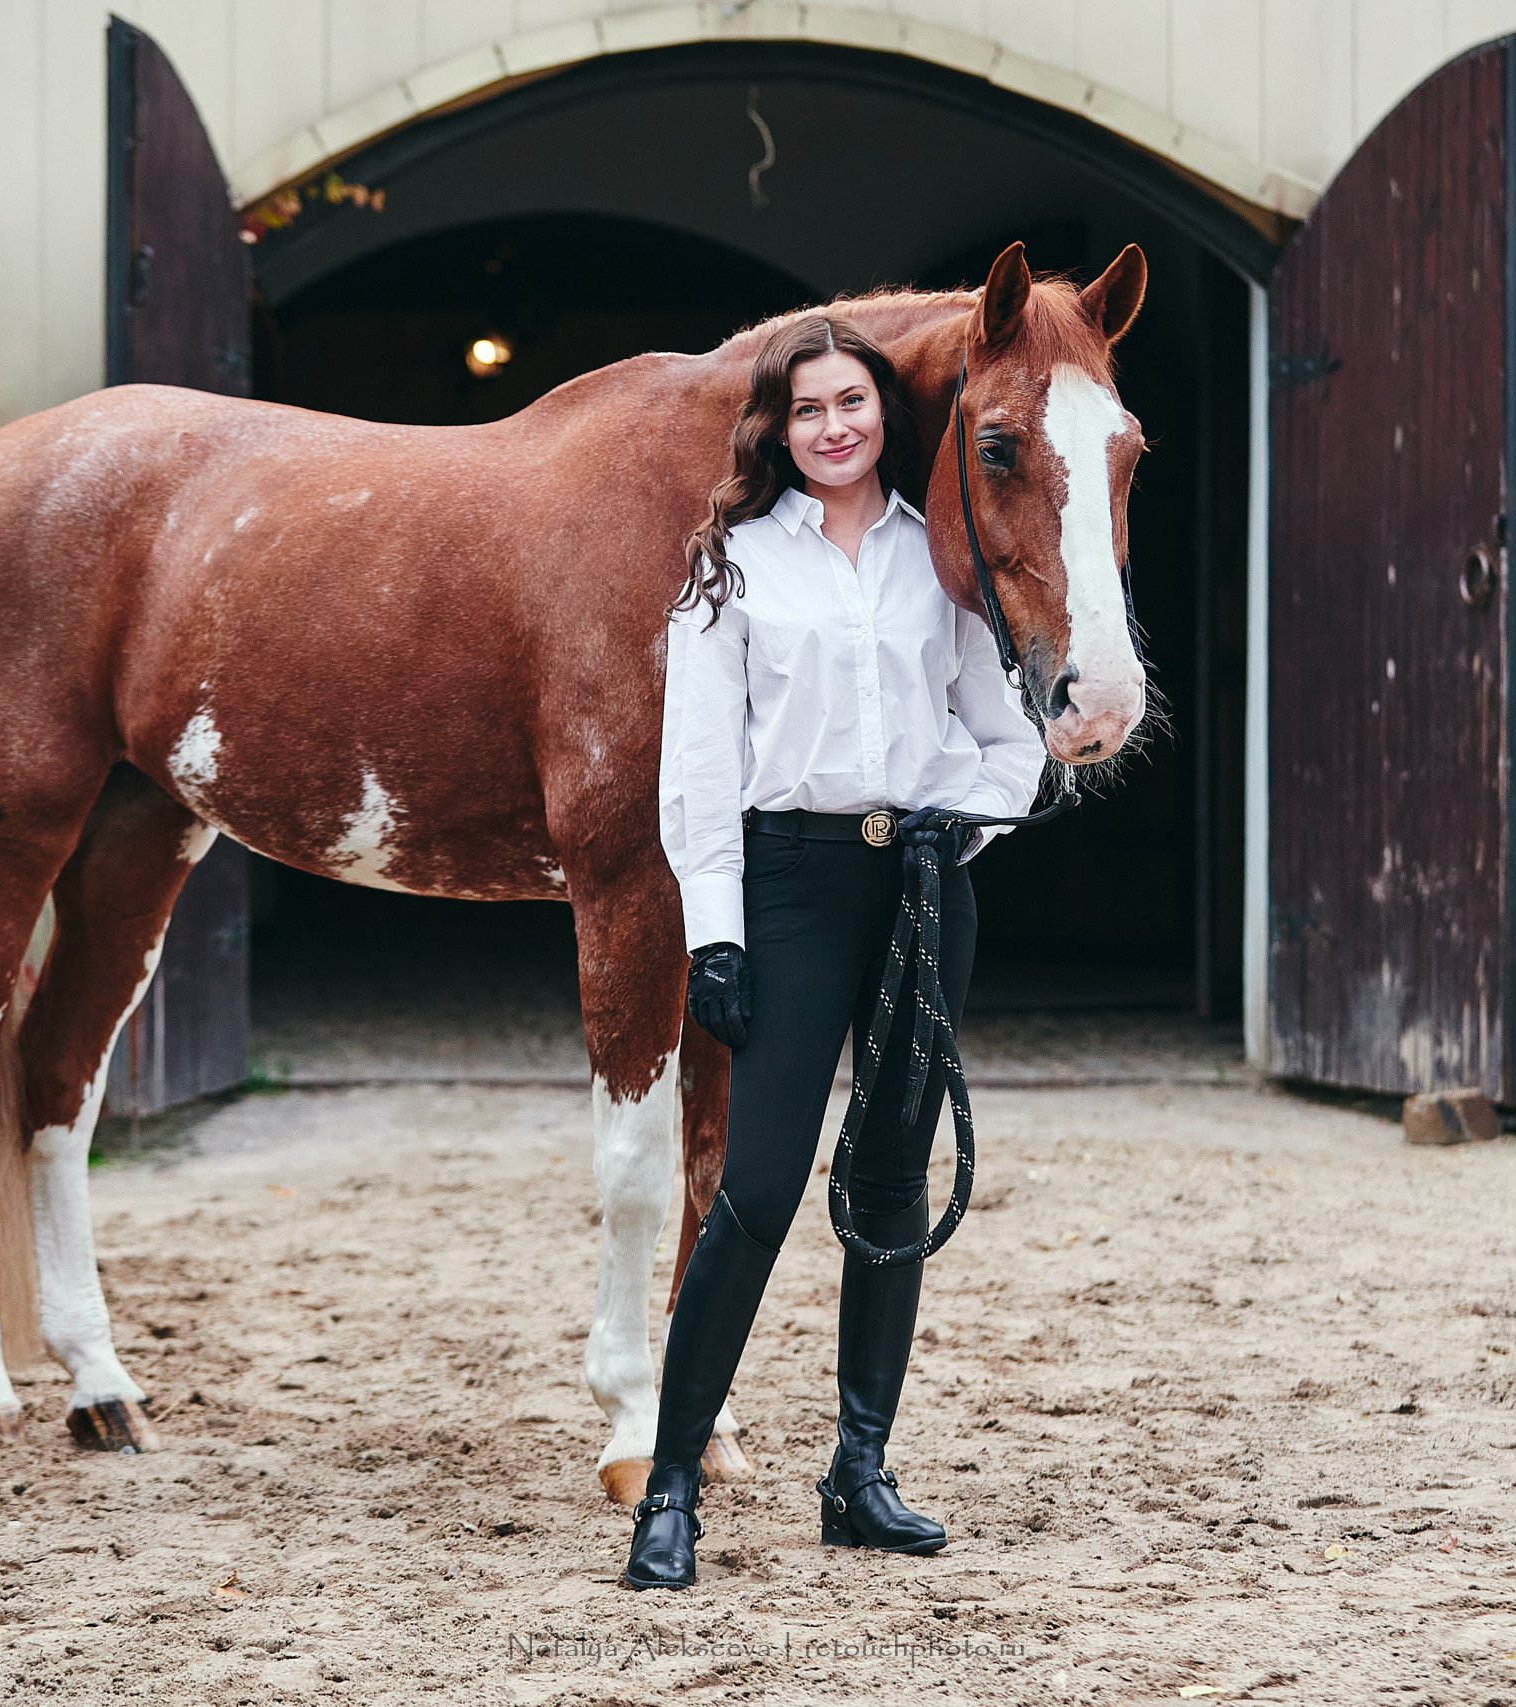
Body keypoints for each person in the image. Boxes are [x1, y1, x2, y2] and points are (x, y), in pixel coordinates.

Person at [629, 313, 1046, 1591]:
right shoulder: (734, 568)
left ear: (883, 416)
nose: (832, 427)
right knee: (756, 1185)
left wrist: (957, 828)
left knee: (887, 1187)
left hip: (923, 884)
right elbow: (696, 771)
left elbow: (1008, 736)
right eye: (807, 409)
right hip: (791, 884)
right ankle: (670, 1482)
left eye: (851, 403)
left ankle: (860, 1475)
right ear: (778, 429)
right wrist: (715, 934)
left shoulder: (944, 563)